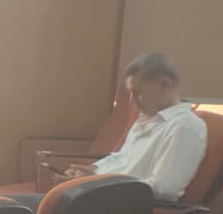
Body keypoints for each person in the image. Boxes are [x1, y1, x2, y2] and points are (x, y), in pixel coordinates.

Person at [59, 52, 208, 203]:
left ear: (165, 85)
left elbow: (164, 189)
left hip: (129, 206)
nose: (131, 100)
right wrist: (93, 170)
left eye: (137, 92)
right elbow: (122, 159)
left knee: (52, 206)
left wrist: (97, 183)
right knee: (50, 201)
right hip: (109, 197)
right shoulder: (145, 120)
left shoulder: (184, 127)